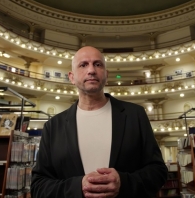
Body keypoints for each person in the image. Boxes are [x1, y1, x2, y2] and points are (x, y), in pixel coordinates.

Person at [31, 46, 167, 197]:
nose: (91, 70)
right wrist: (77, 187)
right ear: (71, 77)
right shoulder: (53, 126)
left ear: (106, 74)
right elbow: (38, 185)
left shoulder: (135, 115)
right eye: (83, 65)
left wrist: (123, 182)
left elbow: (158, 171)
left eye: (98, 64)